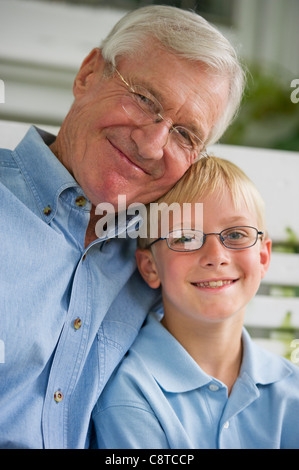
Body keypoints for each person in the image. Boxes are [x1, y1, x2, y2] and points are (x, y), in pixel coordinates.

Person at [0, 6, 245, 448]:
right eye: (145, 99)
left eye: (185, 135)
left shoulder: (165, 259)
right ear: (88, 74)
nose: (152, 145)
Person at [93, 156, 299, 449]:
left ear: (263, 257)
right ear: (150, 266)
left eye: (236, 234)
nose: (216, 255)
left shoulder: (291, 389)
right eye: (185, 237)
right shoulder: (131, 393)